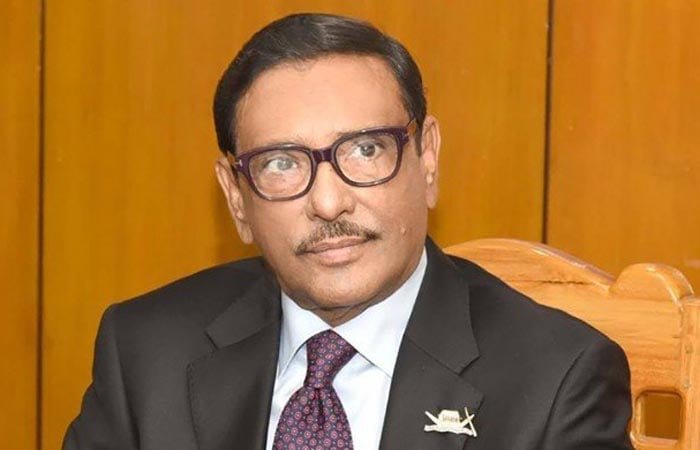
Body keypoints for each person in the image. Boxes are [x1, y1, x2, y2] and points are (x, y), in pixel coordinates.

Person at [64, 13, 632, 450]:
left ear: (427, 159)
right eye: (281, 163)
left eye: (365, 150)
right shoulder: (145, 351)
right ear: (236, 197)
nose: (329, 202)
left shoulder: (558, 380)